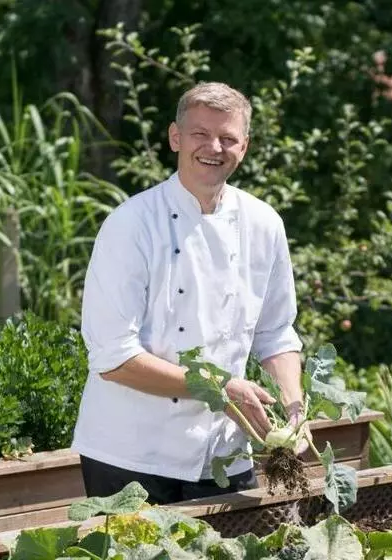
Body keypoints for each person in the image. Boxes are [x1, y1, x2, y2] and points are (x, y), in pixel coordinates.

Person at [71, 82, 307, 504]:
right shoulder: (131, 225)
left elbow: (276, 333)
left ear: (245, 147)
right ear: (175, 138)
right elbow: (114, 358)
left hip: (224, 454)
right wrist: (220, 387)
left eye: (228, 138)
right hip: (130, 455)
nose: (213, 147)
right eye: (200, 134)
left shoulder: (264, 223)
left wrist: (294, 407)